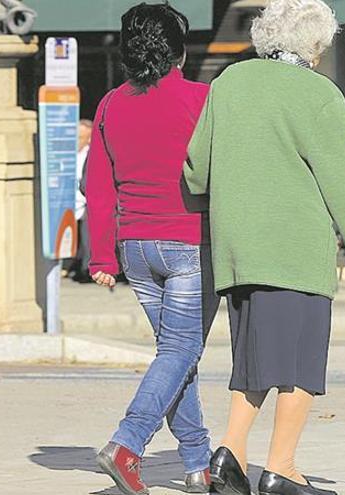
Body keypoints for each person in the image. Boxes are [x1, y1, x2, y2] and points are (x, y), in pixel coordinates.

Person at [184, 1, 345, 494]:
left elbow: (195, 169)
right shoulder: (321, 96)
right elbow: (343, 190)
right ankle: (283, 469)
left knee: (254, 362)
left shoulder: (228, 83)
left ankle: (228, 457)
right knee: (296, 364)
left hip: (236, 250)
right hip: (294, 249)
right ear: (315, 45)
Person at [86, 3, 219, 494]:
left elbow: (98, 187)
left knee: (176, 354)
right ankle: (128, 442)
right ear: (180, 53)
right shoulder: (203, 100)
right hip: (188, 241)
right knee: (181, 349)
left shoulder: (110, 105)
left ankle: (197, 463)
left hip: (134, 248)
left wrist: (101, 257)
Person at [69, 118, 92, 282]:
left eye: (80, 137)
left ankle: (86, 269)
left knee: (87, 238)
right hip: (68, 202)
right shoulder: (67, 154)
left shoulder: (92, 154)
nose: (76, 141)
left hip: (85, 202)